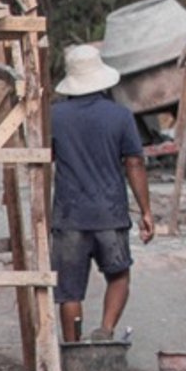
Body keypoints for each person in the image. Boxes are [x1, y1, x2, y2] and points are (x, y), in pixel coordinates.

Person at [49, 44, 153, 345]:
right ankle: (105, 332)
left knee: (69, 291)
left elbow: (45, 161)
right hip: (111, 214)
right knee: (119, 275)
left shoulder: (54, 117)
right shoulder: (120, 116)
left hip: (68, 217)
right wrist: (146, 210)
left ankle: (72, 348)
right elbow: (134, 162)